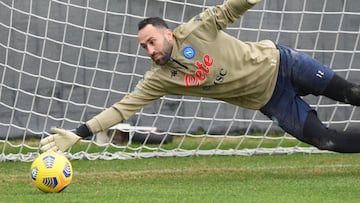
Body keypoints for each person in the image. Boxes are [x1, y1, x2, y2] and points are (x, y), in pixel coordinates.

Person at [40, 0, 360, 153]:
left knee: (352, 94)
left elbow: (229, 9)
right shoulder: (159, 78)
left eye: (152, 41)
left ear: (168, 33)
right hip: (273, 101)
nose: (149, 49)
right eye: (144, 46)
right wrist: (80, 132)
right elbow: (123, 108)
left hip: (283, 63)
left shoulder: (194, 31)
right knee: (325, 139)